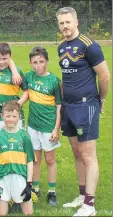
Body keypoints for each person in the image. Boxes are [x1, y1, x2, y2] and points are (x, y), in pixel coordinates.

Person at [56, 7, 110, 216]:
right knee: (76, 153)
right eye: (61, 23)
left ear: (76, 22)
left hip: (86, 106)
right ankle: (81, 195)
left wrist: (101, 100)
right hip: (68, 107)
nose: (65, 26)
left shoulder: (90, 46)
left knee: (88, 155)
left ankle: (90, 205)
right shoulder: (61, 47)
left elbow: (105, 77)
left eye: (68, 22)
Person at [25, 47, 62, 206]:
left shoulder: (54, 81)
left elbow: (60, 107)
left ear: (47, 61)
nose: (38, 65)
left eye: (41, 61)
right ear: (30, 63)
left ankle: (52, 191)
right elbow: (10, 70)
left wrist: (56, 128)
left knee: (50, 159)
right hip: (33, 126)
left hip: (48, 127)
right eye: (34, 62)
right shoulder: (29, 77)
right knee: (35, 159)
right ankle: (35, 188)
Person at [0, 100, 34, 216]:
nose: (10, 119)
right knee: (2, 214)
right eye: (8, 116)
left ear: (19, 117)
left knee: (29, 214)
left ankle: (14, 199)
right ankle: (4, 199)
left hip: (20, 177)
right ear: (2, 116)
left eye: (14, 116)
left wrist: (29, 184)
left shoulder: (25, 136)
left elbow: (30, 161)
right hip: (3, 178)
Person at [0, 43, 28, 137]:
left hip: (14, 115)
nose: (1, 62)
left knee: (17, 144)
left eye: (5, 59)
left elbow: (26, 91)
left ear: (10, 57)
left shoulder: (17, 72)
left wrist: (18, 105)